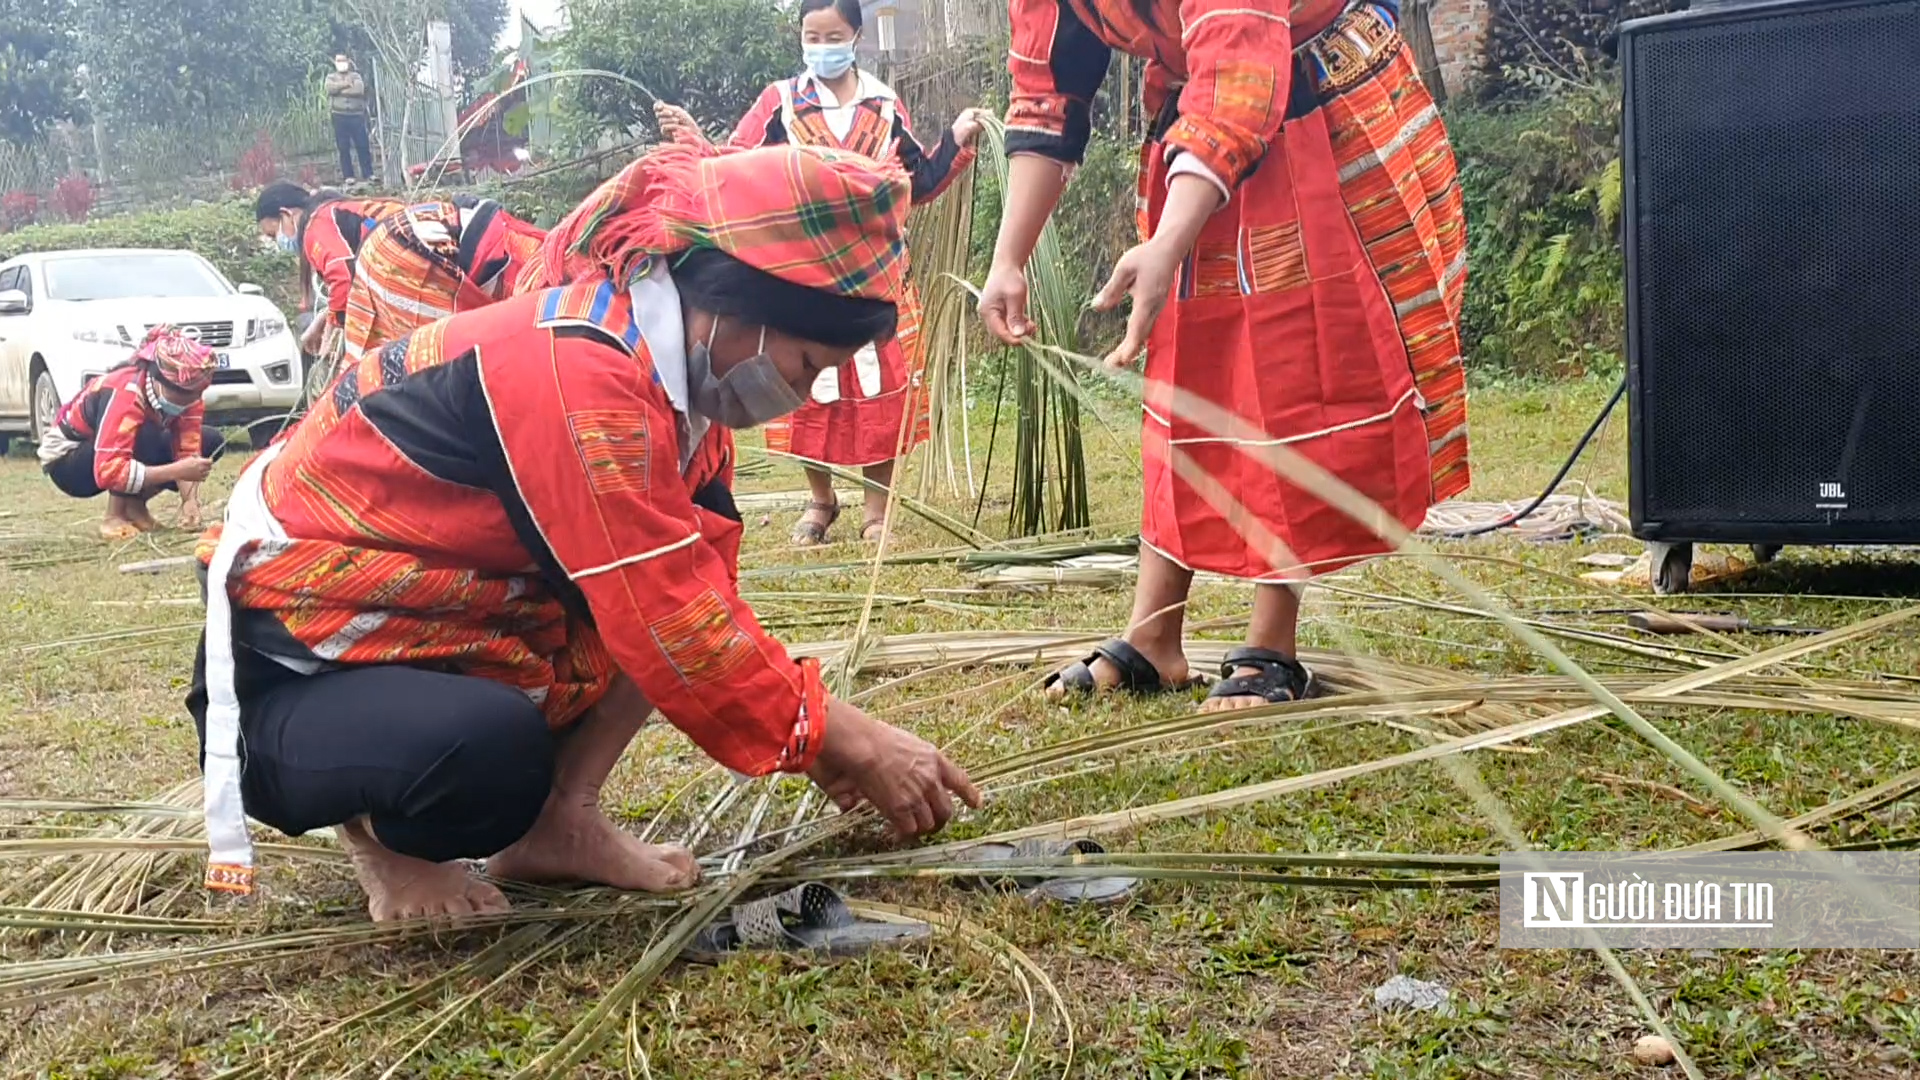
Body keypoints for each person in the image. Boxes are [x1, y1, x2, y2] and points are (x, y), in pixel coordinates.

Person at [190, 142, 980, 921]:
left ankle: (561, 818)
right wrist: (845, 739)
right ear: (739, 303)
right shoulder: (579, 368)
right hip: (297, 660)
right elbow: (669, 619)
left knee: (678, 579)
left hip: (436, 633)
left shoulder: (684, 407)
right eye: (806, 363)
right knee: (487, 756)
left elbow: (701, 601)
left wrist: (814, 737)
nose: (801, 393)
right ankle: (381, 840)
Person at [979, 0, 1469, 711]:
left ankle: (1273, 639)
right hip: (1193, 132)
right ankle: (1153, 636)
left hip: (1313, 109)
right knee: (1182, 362)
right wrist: (1008, 257)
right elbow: (1046, 94)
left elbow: (1240, 75)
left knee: (1292, 363)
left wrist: (1169, 238)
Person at [654, 0, 987, 546]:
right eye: (812, 35)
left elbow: (917, 181)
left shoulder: (883, 105)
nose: (822, 46)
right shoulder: (779, 103)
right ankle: (821, 501)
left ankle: (877, 511)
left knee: (882, 387)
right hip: (801, 278)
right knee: (803, 383)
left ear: (855, 36)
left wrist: (954, 137)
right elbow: (734, 169)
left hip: (875, 275)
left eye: (832, 35)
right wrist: (694, 139)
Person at [39, 325, 225, 540]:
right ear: (157, 381)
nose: (187, 402)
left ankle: (136, 508)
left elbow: (188, 449)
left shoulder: (190, 394)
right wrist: (177, 470)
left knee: (210, 440)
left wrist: (190, 501)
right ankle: (114, 516)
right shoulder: (125, 392)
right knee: (143, 431)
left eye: (193, 396)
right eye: (180, 397)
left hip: (114, 456)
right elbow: (109, 470)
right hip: (70, 463)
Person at [341, 196, 547, 363]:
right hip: (406, 254)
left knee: (406, 355)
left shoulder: (539, 251)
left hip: (388, 244)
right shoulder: (540, 275)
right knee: (447, 356)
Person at [256, 182, 403, 356]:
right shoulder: (336, 211)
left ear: (286, 214)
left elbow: (342, 278)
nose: (278, 243)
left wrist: (331, 331)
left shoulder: (316, 224)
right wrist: (327, 317)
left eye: (273, 235)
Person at [326, 54, 376, 184]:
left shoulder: (356, 76)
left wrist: (339, 89)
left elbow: (358, 90)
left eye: (343, 60)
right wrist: (347, 85)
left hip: (356, 115)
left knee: (362, 145)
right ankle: (348, 176)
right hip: (339, 115)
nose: (341, 63)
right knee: (343, 147)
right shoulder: (331, 77)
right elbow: (330, 89)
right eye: (339, 61)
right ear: (335, 63)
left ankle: (368, 174)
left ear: (348, 62)